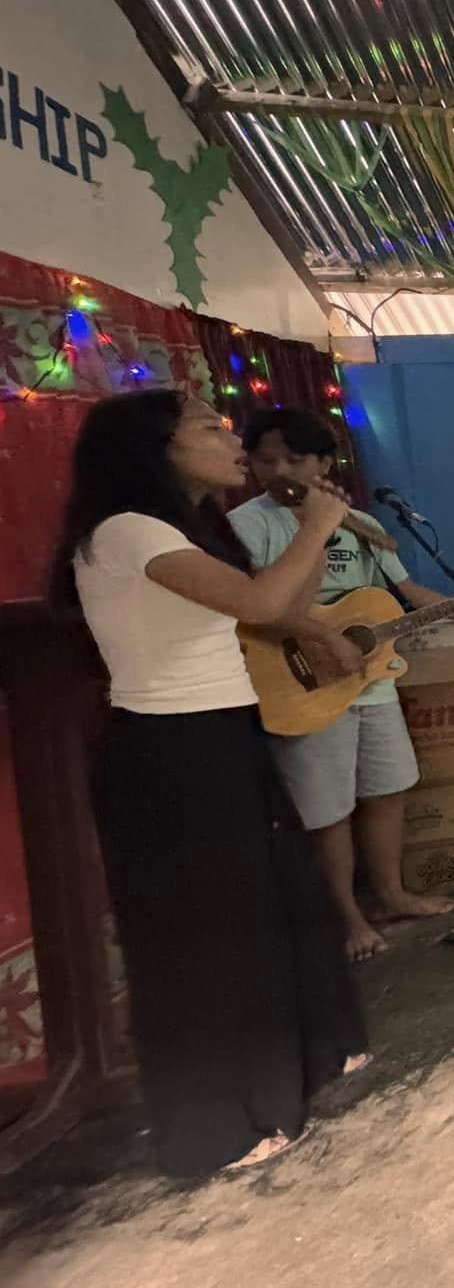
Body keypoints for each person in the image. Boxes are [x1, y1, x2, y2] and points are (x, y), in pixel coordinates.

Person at [53, 391, 370, 1176]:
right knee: (212, 938)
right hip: (170, 755)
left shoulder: (193, 529)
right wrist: (323, 527)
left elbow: (272, 612)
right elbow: (264, 601)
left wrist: (311, 538)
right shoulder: (129, 530)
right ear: (154, 448)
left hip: (227, 734)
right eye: (208, 427)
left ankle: (304, 1060)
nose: (231, 439)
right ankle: (218, 1124)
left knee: (275, 904)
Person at [232, 407, 454, 960]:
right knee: (327, 809)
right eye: (265, 460)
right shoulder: (246, 525)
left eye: (295, 460)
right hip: (297, 680)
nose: (279, 471)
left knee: (386, 789)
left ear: (324, 463)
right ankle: (345, 917)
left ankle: (391, 896)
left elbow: (404, 594)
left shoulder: (362, 527)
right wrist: (323, 638)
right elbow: (254, 607)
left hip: (369, 681)